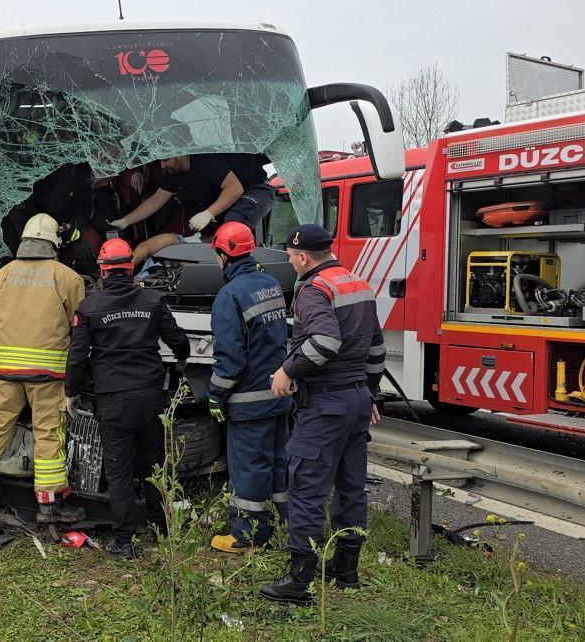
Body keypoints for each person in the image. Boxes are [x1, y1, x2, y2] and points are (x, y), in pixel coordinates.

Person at [259, 224, 385, 604]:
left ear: (302, 256)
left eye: (290, 257)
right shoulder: (356, 283)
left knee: (307, 488)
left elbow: (325, 341)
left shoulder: (314, 290)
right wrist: (369, 393)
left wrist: (287, 370)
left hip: (325, 403)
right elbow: (376, 348)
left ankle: (299, 582)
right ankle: (346, 571)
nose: (291, 262)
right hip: (356, 399)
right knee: (351, 486)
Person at [66, 238, 190, 558]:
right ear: (130, 267)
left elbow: (78, 357)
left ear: (103, 271)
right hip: (150, 397)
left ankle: (123, 542)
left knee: (119, 471)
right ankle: (161, 529)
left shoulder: (89, 306)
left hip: (112, 400)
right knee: (153, 465)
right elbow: (178, 341)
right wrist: (180, 365)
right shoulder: (153, 298)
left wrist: (71, 392)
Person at [0, 213, 86, 524]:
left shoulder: (2, 275)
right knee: (48, 435)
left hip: (3, 373)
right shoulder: (68, 277)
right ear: (54, 242)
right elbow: (80, 323)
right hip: (48, 376)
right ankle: (49, 505)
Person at [207, 222, 293, 553]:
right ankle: (283, 527)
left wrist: (215, 397)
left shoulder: (229, 295)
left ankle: (247, 536)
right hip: (278, 395)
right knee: (276, 465)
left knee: (249, 469)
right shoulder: (270, 284)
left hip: (248, 403)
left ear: (223, 255)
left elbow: (230, 358)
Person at [110, 153, 275, 236]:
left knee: (232, 225)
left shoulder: (207, 161)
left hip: (255, 190)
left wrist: (208, 213)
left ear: (180, 155)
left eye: (165, 160)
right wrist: (125, 221)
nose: (161, 165)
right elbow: (154, 201)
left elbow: (235, 189)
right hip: (230, 197)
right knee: (211, 231)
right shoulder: (173, 175)